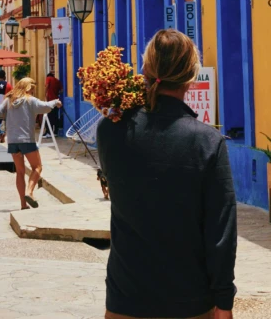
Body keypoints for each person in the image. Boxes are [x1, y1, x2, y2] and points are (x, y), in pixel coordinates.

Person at [97, 29, 237, 319]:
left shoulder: (110, 130)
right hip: (189, 300)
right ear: (191, 77)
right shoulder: (206, 142)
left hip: (126, 297)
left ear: (145, 70)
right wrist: (224, 300)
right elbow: (220, 230)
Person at [0, 77, 62, 210]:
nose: (33, 91)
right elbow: (46, 107)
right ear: (29, 87)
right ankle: (29, 192)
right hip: (27, 140)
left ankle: (23, 205)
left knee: (20, 172)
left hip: (13, 141)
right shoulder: (30, 100)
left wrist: (10, 118)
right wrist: (56, 102)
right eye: (33, 88)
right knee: (37, 167)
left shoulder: (9, 100)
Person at [45, 72, 63, 136]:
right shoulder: (57, 80)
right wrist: (56, 93)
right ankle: (55, 132)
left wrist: (45, 94)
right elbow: (61, 90)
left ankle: (48, 132)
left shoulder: (48, 78)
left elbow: (46, 86)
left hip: (50, 101)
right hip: (57, 100)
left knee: (49, 117)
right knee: (55, 116)